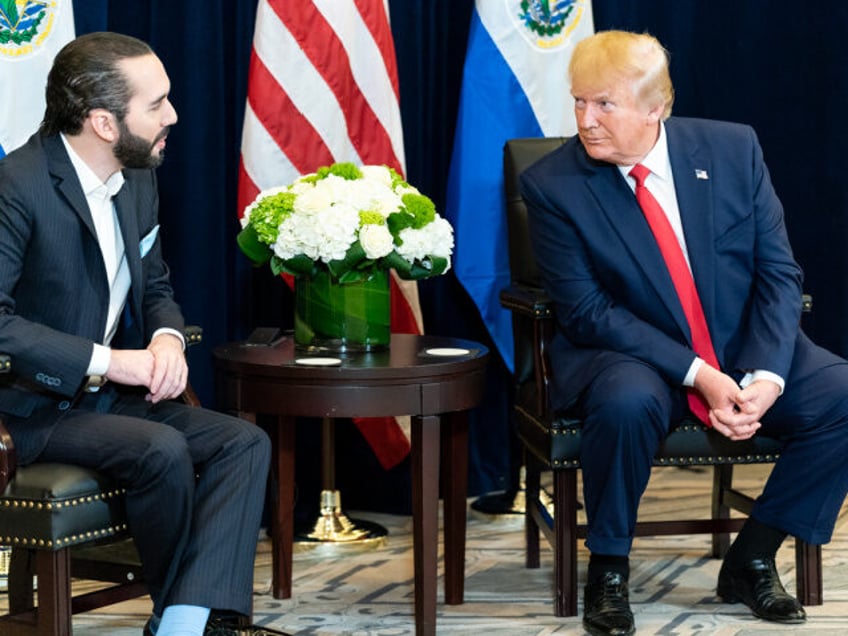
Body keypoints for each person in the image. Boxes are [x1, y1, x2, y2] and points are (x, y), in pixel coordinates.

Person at [520, 29, 848, 636]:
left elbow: (779, 273)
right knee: (625, 403)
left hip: (740, 341)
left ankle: (752, 556)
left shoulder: (732, 151)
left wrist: (767, 375)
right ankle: (609, 568)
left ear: (656, 108)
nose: (584, 121)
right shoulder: (553, 184)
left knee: (843, 394)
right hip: (631, 350)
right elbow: (588, 310)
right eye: (578, 102)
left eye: (603, 104)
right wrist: (698, 373)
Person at [0, 32, 291, 636]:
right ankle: (192, 620)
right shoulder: (16, 186)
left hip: (105, 402)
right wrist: (110, 361)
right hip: (28, 406)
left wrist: (165, 340)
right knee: (161, 452)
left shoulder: (136, 179)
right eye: (156, 104)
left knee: (244, 443)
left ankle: (182, 623)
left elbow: (155, 287)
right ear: (103, 123)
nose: (174, 117)